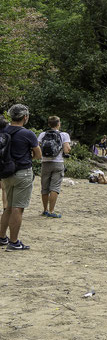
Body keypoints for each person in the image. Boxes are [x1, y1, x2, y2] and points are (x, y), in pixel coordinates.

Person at [0, 104, 42, 251]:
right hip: (22, 173)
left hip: (6, 173)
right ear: (25, 117)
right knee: (18, 208)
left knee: (8, 207)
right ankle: (14, 242)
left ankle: (2, 237)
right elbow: (38, 155)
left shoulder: (3, 130)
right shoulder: (28, 134)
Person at [37, 116, 71, 218]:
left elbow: (37, 147)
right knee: (54, 187)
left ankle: (45, 210)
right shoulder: (64, 135)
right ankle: (52, 211)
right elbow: (66, 150)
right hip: (58, 162)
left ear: (49, 124)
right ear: (58, 124)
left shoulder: (43, 134)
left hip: (45, 163)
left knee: (45, 188)